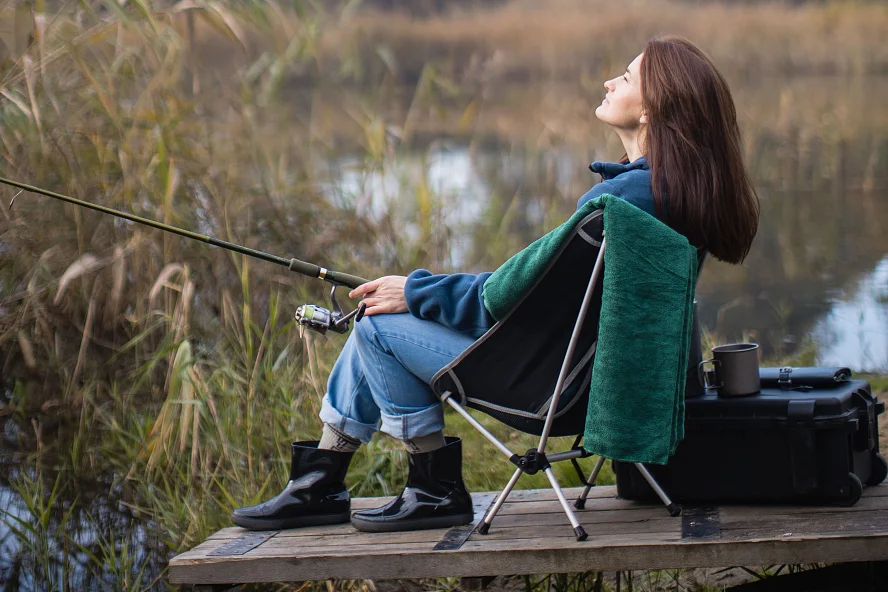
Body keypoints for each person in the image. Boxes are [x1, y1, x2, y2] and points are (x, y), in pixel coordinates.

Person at [231, 35, 760, 533]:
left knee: (376, 325)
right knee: (383, 306)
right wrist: (416, 292)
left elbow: (506, 299)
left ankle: (429, 488)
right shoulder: (669, 195)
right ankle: (319, 481)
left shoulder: (622, 205)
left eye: (624, 78)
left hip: (551, 389)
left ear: (650, 110)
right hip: (593, 382)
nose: (608, 82)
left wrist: (414, 292)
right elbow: (535, 293)